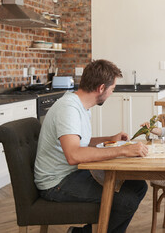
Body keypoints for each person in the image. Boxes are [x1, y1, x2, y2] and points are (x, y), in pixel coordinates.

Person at [34, 59, 149, 233]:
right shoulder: (69, 109)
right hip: (57, 183)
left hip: (73, 173)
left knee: (138, 186)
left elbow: (80, 142)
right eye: (112, 89)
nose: (111, 93)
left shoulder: (80, 106)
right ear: (101, 88)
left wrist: (110, 138)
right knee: (127, 200)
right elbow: (74, 155)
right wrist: (123, 149)